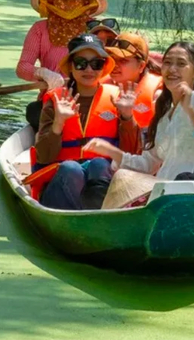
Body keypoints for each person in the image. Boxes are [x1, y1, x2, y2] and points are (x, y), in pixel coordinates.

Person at [83, 41, 194, 197]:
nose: (172, 69)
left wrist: (190, 110)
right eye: (167, 63)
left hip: (193, 194)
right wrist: (110, 150)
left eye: (181, 64)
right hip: (164, 194)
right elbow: (148, 163)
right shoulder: (165, 116)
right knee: (121, 178)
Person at [26, 34, 142, 211]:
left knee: (100, 164)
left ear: (103, 68)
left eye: (96, 64)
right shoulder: (55, 100)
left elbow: (131, 155)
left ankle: (97, 214)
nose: (89, 69)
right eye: (81, 63)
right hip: (60, 183)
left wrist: (127, 117)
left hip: (102, 182)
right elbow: (44, 156)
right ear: (71, 67)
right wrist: (58, 122)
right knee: (71, 168)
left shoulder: (117, 99)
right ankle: (88, 217)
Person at [17, 0, 107, 127]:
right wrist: (43, 73)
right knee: (34, 112)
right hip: (53, 99)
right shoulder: (40, 29)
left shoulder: (96, 28)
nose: (68, 2)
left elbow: (113, 63)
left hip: (92, 98)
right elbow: (22, 67)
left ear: (84, 0)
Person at [105, 31, 163, 130]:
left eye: (123, 60)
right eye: (112, 59)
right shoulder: (99, 87)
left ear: (141, 66)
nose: (115, 65)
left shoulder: (157, 96)